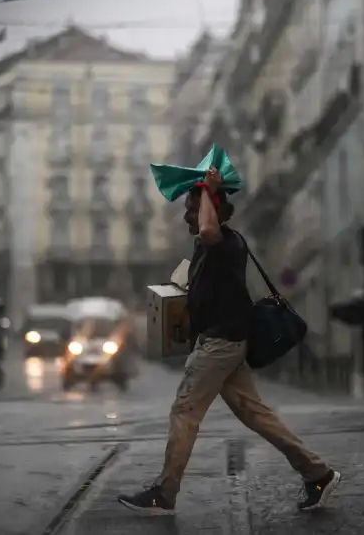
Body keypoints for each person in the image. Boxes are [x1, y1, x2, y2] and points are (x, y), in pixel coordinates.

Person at [117, 168, 341, 514]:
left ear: (212, 209)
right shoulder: (207, 247)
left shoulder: (223, 240)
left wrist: (208, 187)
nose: (187, 215)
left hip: (220, 344)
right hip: (226, 343)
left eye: (192, 208)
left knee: (184, 411)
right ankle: (318, 473)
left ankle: (164, 492)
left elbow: (208, 228)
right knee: (256, 413)